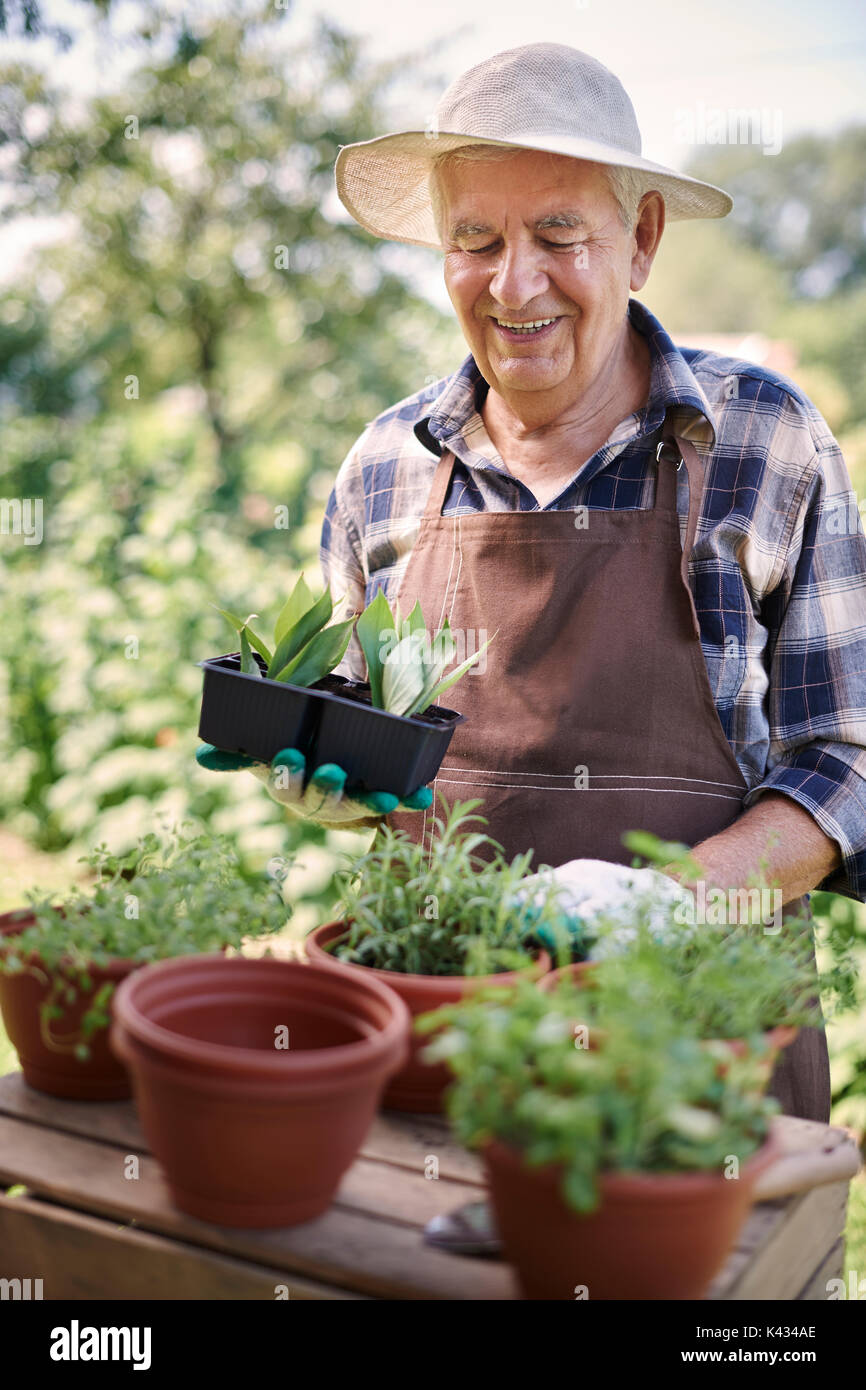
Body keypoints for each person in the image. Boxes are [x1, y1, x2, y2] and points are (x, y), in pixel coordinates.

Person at [198, 43, 866, 1128]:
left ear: (639, 240)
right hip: (440, 1047)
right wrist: (319, 783)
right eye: (475, 240)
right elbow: (358, 734)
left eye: (559, 235)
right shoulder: (384, 465)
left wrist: (674, 898)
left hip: (691, 1061)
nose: (515, 285)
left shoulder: (762, 440)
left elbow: (849, 757)